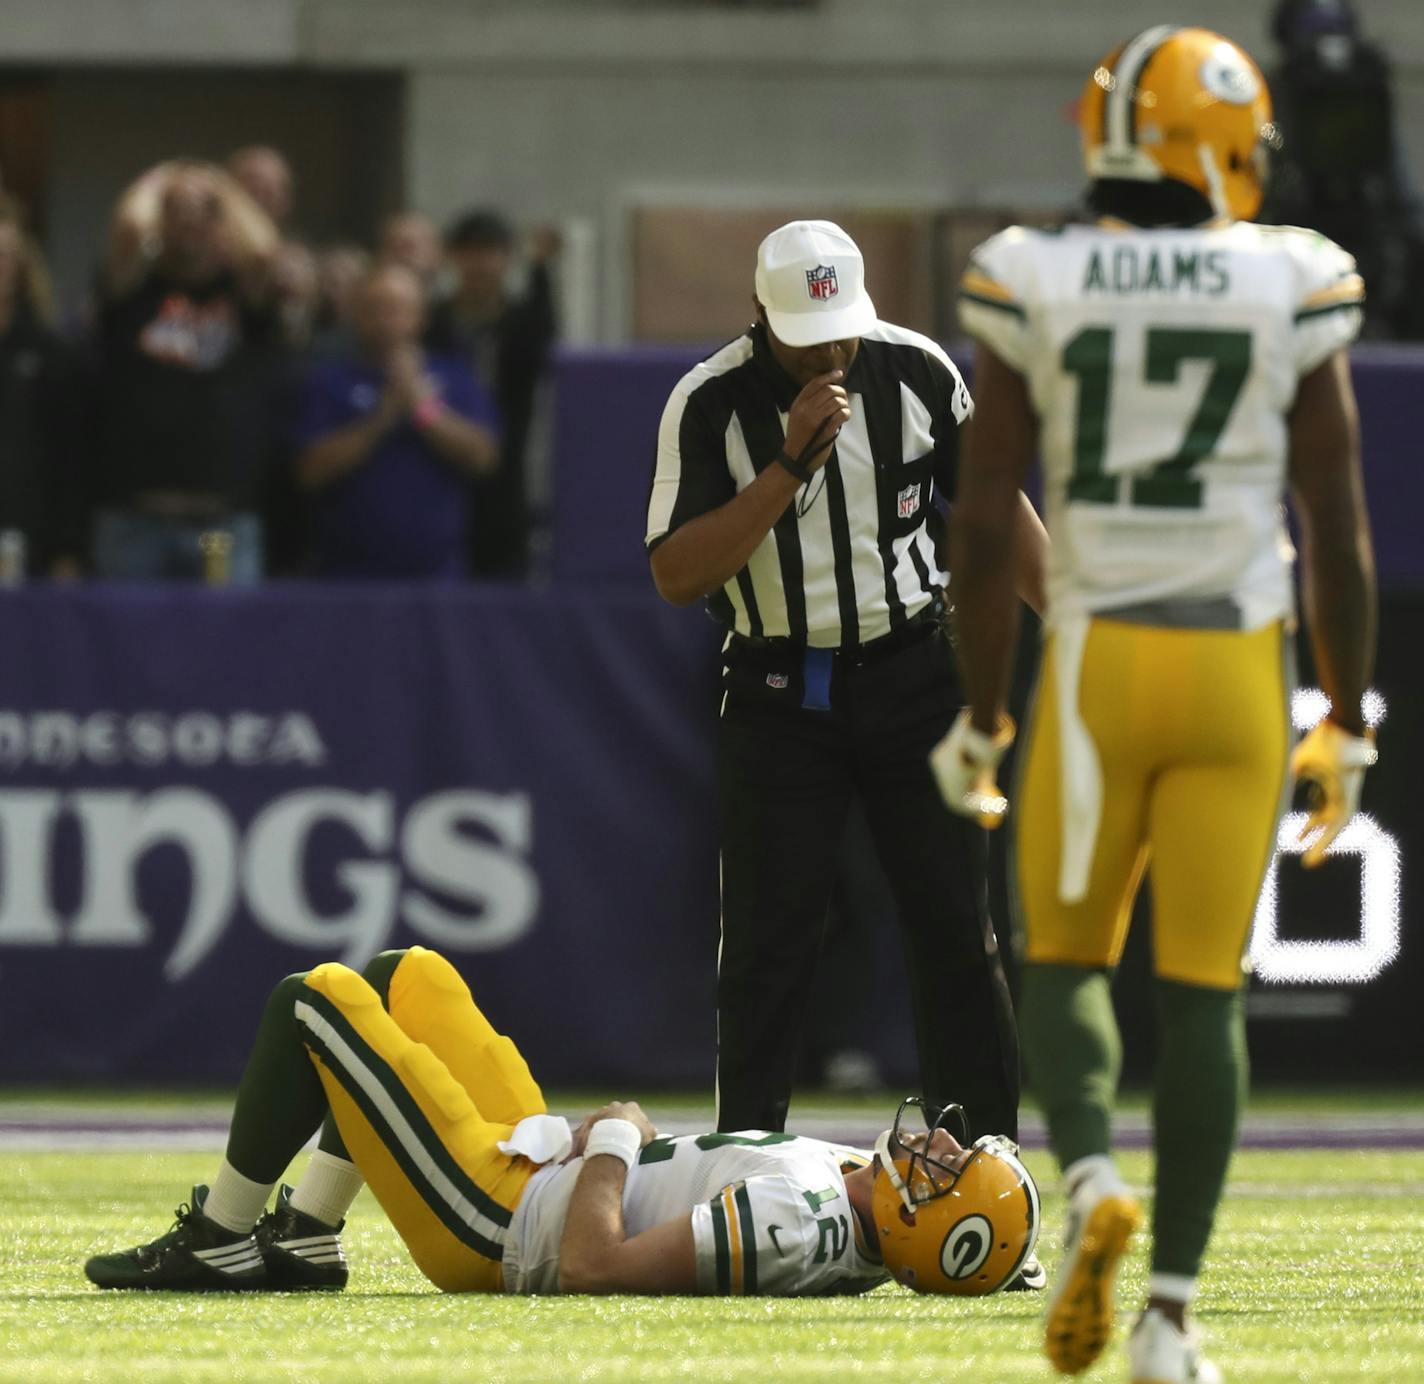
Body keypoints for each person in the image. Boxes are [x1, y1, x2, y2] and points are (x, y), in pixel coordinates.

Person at [935, 27, 1377, 1384]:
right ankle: (1171, 1320)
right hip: (1238, 667)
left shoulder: (1036, 272)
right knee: (1205, 1001)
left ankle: (1082, 1189)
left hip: (1097, 666)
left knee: (1062, 964)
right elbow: (1339, 524)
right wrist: (1348, 717)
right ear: (1221, 143)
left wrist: (980, 711)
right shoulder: (1290, 276)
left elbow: (980, 520)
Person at [645, 221, 1049, 1174]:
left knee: (958, 926)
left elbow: (993, 521)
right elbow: (676, 573)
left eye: (840, 331)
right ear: (758, 316)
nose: (828, 351)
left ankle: (987, 1170)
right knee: (767, 942)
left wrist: (1070, 622)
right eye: (804, 335)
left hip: (914, 674)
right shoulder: (708, 403)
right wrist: (786, 468)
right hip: (781, 689)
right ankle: (747, 1174)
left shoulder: (916, 374)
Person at [83, 945, 1041, 1298]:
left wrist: (617, 1141)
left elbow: (593, 1268)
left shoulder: (804, 1226)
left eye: (955, 1168)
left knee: (314, 1000)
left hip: (503, 1225)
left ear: (925, 1229)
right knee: (407, 979)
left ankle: (217, 1237)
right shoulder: (854, 1200)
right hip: (542, 1172)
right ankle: (308, 1235)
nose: (943, 1145)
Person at [90, 160, 281, 583]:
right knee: (128, 643)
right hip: (136, 523)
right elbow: (128, 228)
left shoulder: (240, 293)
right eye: (175, 211)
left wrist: (218, 184)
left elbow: (266, 249)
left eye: (203, 213)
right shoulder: (135, 292)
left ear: (223, 223)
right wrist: (165, 176)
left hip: (219, 525)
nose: (189, 221)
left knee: (223, 639)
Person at [293, 264, 499, 579]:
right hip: (347, 576)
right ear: (356, 315)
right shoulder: (328, 382)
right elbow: (311, 472)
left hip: (437, 575)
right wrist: (384, 415)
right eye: (373, 309)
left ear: (421, 317)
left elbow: (482, 458)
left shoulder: (455, 377)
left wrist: (422, 409)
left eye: (397, 310)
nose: (385, 321)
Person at [426, 210, 561, 579]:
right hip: (439, 456)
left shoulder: (520, 322)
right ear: (454, 257)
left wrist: (541, 268)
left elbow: (544, 332)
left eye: (490, 252)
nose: (480, 264)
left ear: (507, 259)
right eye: (470, 252)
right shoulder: (433, 321)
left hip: (507, 468)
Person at [0, 196, 85, 579]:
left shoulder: (48, 352)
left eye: (3, 255)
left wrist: (68, 548)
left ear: (19, 268)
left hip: (26, 539)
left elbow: (70, 454)